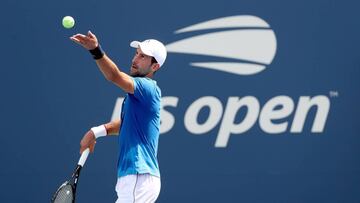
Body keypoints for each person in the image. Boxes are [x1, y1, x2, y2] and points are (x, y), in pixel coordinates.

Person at [70, 31, 167, 203]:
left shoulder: (147, 88)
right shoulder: (140, 94)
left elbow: (114, 76)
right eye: (136, 54)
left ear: (155, 67)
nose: (135, 59)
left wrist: (96, 50)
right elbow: (127, 123)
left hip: (138, 176)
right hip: (136, 178)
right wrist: (96, 131)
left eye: (143, 56)